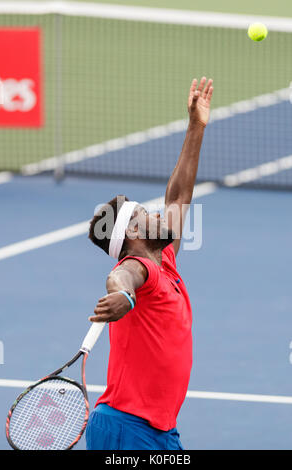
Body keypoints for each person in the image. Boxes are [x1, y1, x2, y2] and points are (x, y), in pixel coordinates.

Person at [86, 77, 213, 450]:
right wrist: (123, 296)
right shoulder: (143, 270)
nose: (159, 213)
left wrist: (195, 126)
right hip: (127, 430)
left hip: (156, 431)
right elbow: (123, 276)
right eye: (145, 212)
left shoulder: (166, 260)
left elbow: (179, 193)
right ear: (134, 233)